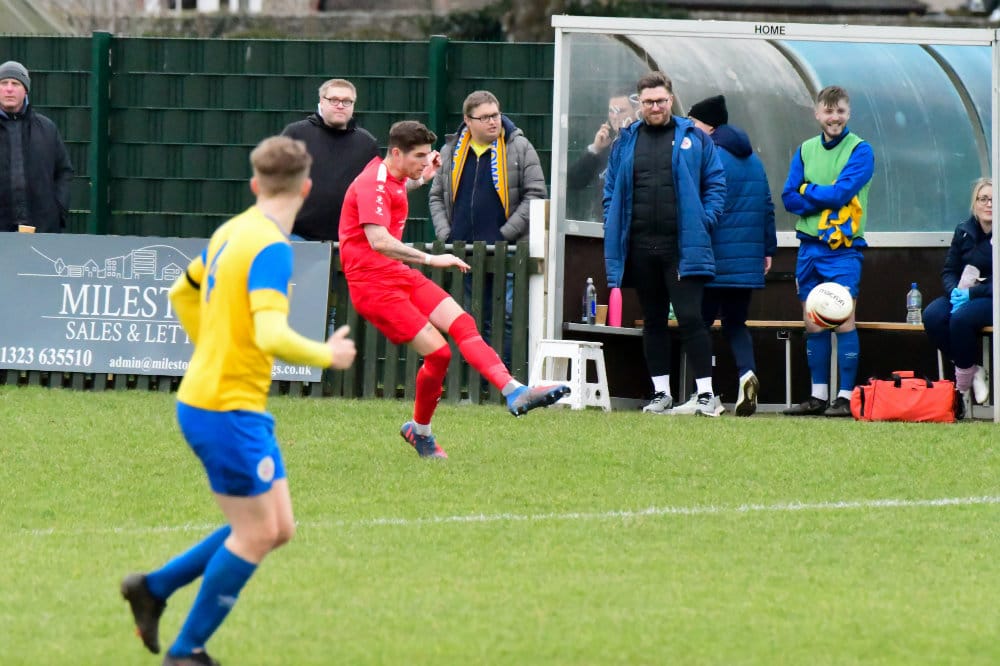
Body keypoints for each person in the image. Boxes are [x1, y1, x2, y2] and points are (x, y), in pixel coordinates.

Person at [120, 136, 357, 666]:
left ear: (254, 184)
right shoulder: (271, 247)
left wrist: (211, 346)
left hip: (225, 401)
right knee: (256, 533)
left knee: (278, 527)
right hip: (223, 408)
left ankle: (153, 588)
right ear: (307, 188)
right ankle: (186, 652)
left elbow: (180, 293)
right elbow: (270, 333)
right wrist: (326, 353)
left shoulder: (233, 230)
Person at [342, 120, 568, 458]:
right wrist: (431, 259)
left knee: (463, 323)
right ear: (396, 153)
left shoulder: (393, 176)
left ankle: (514, 390)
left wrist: (422, 178)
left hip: (395, 273)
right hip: (371, 285)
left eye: (427, 155)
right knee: (439, 354)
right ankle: (420, 432)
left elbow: (397, 189)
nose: (425, 161)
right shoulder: (371, 183)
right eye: (419, 157)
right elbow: (379, 241)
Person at [602, 71, 727, 417]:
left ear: (671, 100)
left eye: (660, 100)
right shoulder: (626, 141)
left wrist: (705, 219)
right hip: (641, 246)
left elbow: (716, 182)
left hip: (683, 247)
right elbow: (611, 188)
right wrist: (612, 219)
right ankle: (661, 393)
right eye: (648, 102)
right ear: (639, 104)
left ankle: (706, 395)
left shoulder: (694, 138)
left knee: (691, 318)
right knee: (653, 320)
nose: (655, 107)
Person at [429, 90, 547, 368]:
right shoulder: (450, 151)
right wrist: (447, 235)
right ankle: (477, 381)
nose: (493, 122)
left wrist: (505, 234)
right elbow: (436, 197)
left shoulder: (519, 147)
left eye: (496, 115)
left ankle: (505, 378)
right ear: (468, 120)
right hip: (463, 253)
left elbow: (536, 195)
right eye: (485, 118)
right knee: (469, 320)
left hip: (508, 252)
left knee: (507, 318)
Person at [781, 85, 875, 417]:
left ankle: (845, 397)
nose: (835, 118)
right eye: (829, 111)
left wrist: (807, 189)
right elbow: (788, 197)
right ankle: (817, 396)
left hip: (843, 249)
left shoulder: (860, 150)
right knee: (814, 322)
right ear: (817, 113)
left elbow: (841, 195)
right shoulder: (805, 149)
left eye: (840, 111)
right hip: (809, 248)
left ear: (849, 113)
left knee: (843, 319)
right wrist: (816, 194)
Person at [688, 94, 777, 417]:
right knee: (736, 323)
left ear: (709, 126)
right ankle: (746, 373)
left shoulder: (707, 156)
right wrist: (767, 250)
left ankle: (703, 393)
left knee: (699, 325)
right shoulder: (753, 160)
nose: (690, 130)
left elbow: (697, 206)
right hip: (747, 260)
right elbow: (767, 206)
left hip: (712, 259)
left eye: (694, 124)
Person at [922, 177, 993, 418]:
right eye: (983, 199)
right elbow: (949, 270)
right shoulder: (963, 230)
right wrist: (954, 290)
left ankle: (960, 394)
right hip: (963, 293)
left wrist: (973, 293)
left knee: (961, 319)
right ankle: (972, 369)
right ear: (975, 203)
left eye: (994, 200)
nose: (989, 204)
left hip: (990, 297)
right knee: (933, 316)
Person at [281, 78, 379, 242]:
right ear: (321, 101)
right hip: (297, 235)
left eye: (347, 101)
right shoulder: (296, 134)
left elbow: (377, 189)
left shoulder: (367, 143)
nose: (340, 105)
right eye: (334, 100)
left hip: (348, 239)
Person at [0, 60, 73, 233]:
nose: (9, 89)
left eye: (15, 83)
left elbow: (64, 172)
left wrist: (58, 210)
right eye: (3, 83)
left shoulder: (47, 128)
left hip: (42, 231)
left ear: (25, 89)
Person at [566, 92, 636, 221]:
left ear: (636, 112)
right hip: (602, 222)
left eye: (621, 111)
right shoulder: (606, 145)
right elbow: (573, 181)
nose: (615, 116)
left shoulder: (643, 142)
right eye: (611, 111)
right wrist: (595, 149)